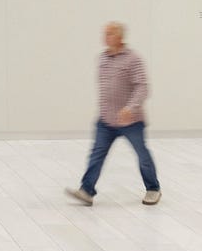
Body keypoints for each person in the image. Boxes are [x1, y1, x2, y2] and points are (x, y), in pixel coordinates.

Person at [66, 21, 162, 206]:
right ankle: (86, 191)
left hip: (131, 122)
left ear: (119, 37)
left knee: (142, 156)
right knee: (96, 155)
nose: (105, 37)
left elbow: (142, 87)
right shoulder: (102, 59)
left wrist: (130, 108)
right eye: (105, 33)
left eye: (109, 33)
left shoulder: (133, 59)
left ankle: (153, 189)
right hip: (106, 121)